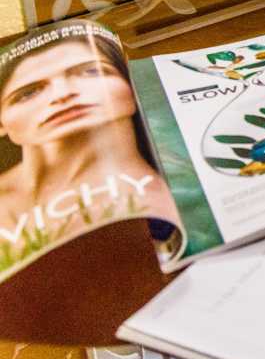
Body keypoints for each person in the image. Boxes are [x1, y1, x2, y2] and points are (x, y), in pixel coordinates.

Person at [0, 28, 178, 265]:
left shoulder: (170, 200)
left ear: (129, 83)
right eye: (29, 92)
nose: (62, 94)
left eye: (92, 72)